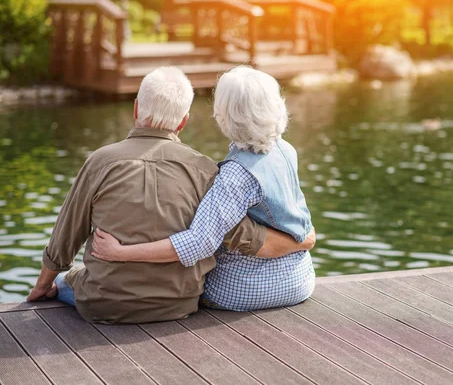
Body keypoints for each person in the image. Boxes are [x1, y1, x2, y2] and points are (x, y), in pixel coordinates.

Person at [26, 66, 314, 324]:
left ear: (136, 109)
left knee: (67, 279)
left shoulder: (100, 161)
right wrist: (301, 240)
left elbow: (67, 234)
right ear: (183, 121)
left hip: (101, 303)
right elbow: (240, 234)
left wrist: (43, 287)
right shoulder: (208, 170)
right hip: (181, 304)